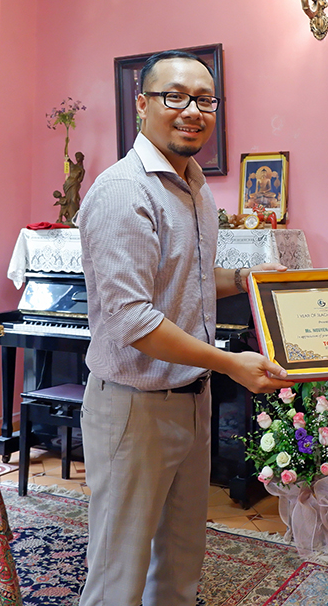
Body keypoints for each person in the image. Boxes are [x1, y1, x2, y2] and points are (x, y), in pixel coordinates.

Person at [76, 49, 292, 606]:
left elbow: (186, 280)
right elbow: (133, 317)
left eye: (205, 100)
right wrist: (229, 363)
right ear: (142, 103)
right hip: (135, 406)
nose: (192, 111)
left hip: (191, 399)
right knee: (118, 575)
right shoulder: (124, 191)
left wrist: (245, 279)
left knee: (179, 563)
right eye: (174, 96)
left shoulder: (194, 185)